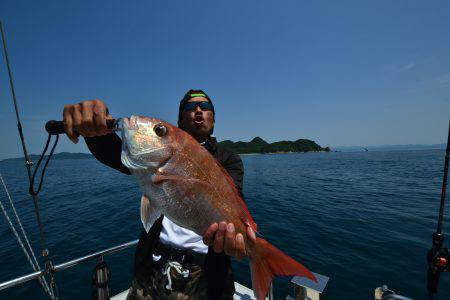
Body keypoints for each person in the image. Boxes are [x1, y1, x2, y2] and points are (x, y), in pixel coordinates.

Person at [62, 90, 256, 299]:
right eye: (191, 108)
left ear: (213, 119)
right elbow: (115, 153)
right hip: (152, 268)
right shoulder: (151, 162)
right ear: (180, 119)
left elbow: (233, 203)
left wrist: (241, 237)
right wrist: (94, 131)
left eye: (205, 107)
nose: (198, 111)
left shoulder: (229, 159)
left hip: (206, 276)